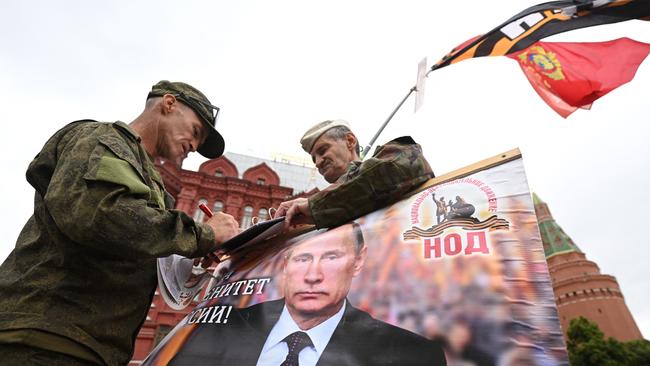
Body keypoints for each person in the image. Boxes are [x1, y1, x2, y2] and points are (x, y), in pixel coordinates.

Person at [0, 81, 240, 366]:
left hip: (86, 345)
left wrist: (191, 255)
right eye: (195, 131)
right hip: (45, 337)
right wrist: (204, 234)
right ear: (168, 104)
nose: (194, 145)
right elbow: (100, 214)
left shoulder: (147, 177)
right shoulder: (103, 139)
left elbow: (132, 241)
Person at [165, 223, 446, 365]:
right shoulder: (216, 329)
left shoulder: (411, 354)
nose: (313, 275)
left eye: (331, 257)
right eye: (302, 260)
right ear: (285, 265)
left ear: (358, 261)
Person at [273, 119, 434, 229]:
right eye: (314, 158)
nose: (318, 162)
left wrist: (314, 205)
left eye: (323, 150)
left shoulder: (394, 156)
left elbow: (405, 165)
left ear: (350, 141)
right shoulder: (322, 212)